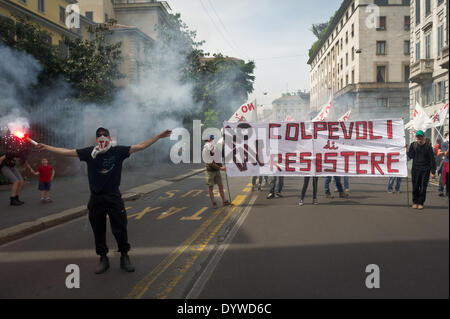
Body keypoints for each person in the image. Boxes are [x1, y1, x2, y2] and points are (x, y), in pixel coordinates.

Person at [36, 127, 172, 274]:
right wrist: (47, 147)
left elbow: (140, 146)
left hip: (113, 197)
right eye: (99, 135)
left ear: (109, 137)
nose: (102, 137)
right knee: (98, 229)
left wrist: (158, 136)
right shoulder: (90, 153)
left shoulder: (117, 151)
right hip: (96, 199)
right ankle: (103, 258)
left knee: (120, 227)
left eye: (104, 135)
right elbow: (67, 152)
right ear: (96, 139)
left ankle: (124, 256)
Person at [407, 130, 436, 210]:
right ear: (416, 137)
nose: (419, 138)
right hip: (415, 169)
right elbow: (411, 156)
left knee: (423, 187)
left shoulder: (428, 146)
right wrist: (407, 149)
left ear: (423, 136)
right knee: (415, 186)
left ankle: (420, 202)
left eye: (420, 136)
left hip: (425, 170)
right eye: (418, 136)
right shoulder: (413, 145)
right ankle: (415, 202)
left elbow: (432, 160)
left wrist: (433, 172)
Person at [203, 135, 231, 209]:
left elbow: (220, 155)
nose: (213, 140)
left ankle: (224, 201)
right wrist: (220, 168)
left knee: (220, 186)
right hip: (210, 171)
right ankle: (214, 202)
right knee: (211, 187)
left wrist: (223, 146)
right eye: (211, 139)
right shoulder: (206, 150)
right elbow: (210, 162)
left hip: (217, 170)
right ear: (208, 140)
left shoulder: (214, 147)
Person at [437, 132, 449, 197]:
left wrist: (443, 152)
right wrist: (444, 152)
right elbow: (438, 153)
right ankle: (440, 190)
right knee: (442, 177)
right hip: (444, 161)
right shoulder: (442, 144)